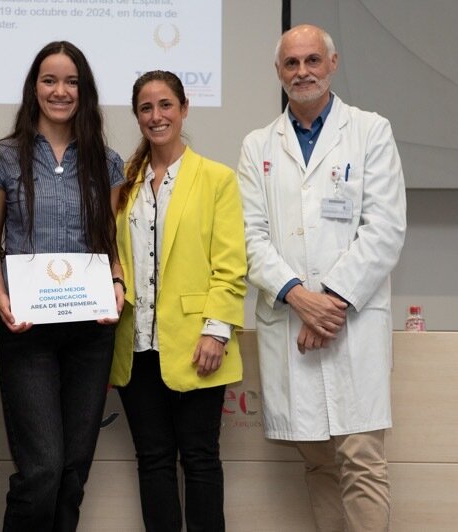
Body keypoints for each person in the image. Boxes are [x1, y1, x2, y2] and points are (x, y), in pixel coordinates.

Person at [238, 24, 407, 531]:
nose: (302, 71)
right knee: (317, 461)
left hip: (349, 322)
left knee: (362, 460)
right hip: (294, 323)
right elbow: (251, 237)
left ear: (332, 64)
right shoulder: (256, 145)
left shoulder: (370, 131)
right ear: (278, 72)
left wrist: (328, 303)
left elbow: (384, 229)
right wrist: (299, 298)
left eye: (313, 60)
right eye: (291, 63)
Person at [0, 41, 124, 531]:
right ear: (34, 87)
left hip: (91, 330)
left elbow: (110, 242)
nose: (60, 91)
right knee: (41, 470)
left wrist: (118, 283)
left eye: (71, 82)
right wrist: (0, 298)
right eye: (49, 80)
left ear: (84, 91)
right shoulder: (2, 157)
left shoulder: (106, 161)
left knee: (72, 471)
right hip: (28, 331)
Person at [110, 70, 247, 532]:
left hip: (196, 345)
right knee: (152, 461)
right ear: (137, 116)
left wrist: (216, 330)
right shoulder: (124, 183)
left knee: (201, 460)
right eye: (146, 108)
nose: (156, 116)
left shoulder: (217, 179)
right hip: (137, 348)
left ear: (184, 108)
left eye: (165, 105)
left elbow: (230, 266)